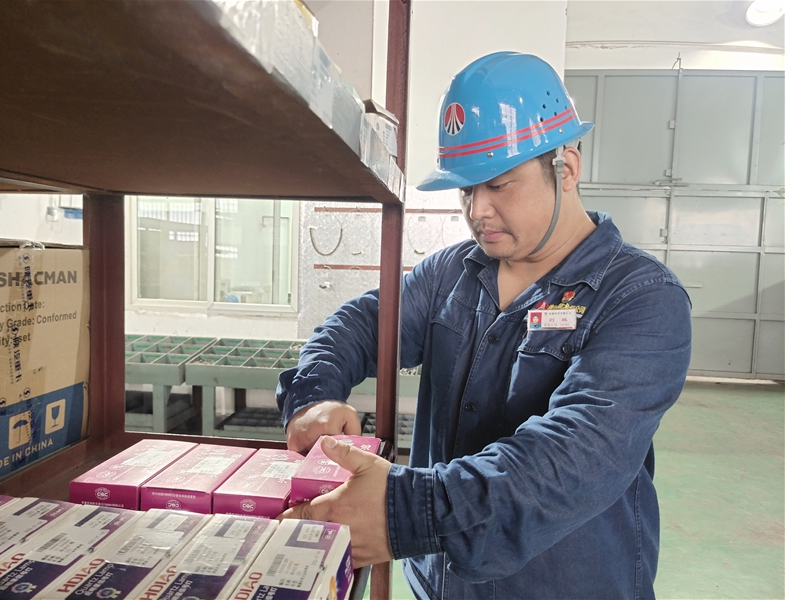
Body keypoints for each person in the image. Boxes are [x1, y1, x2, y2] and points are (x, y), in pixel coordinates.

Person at [276, 51, 692, 599]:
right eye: (466, 189)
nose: (477, 211)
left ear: (566, 169)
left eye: (498, 184)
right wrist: (312, 398)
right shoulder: (451, 273)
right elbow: (359, 324)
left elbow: (575, 456)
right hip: (441, 582)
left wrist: (408, 512)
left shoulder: (641, 299)